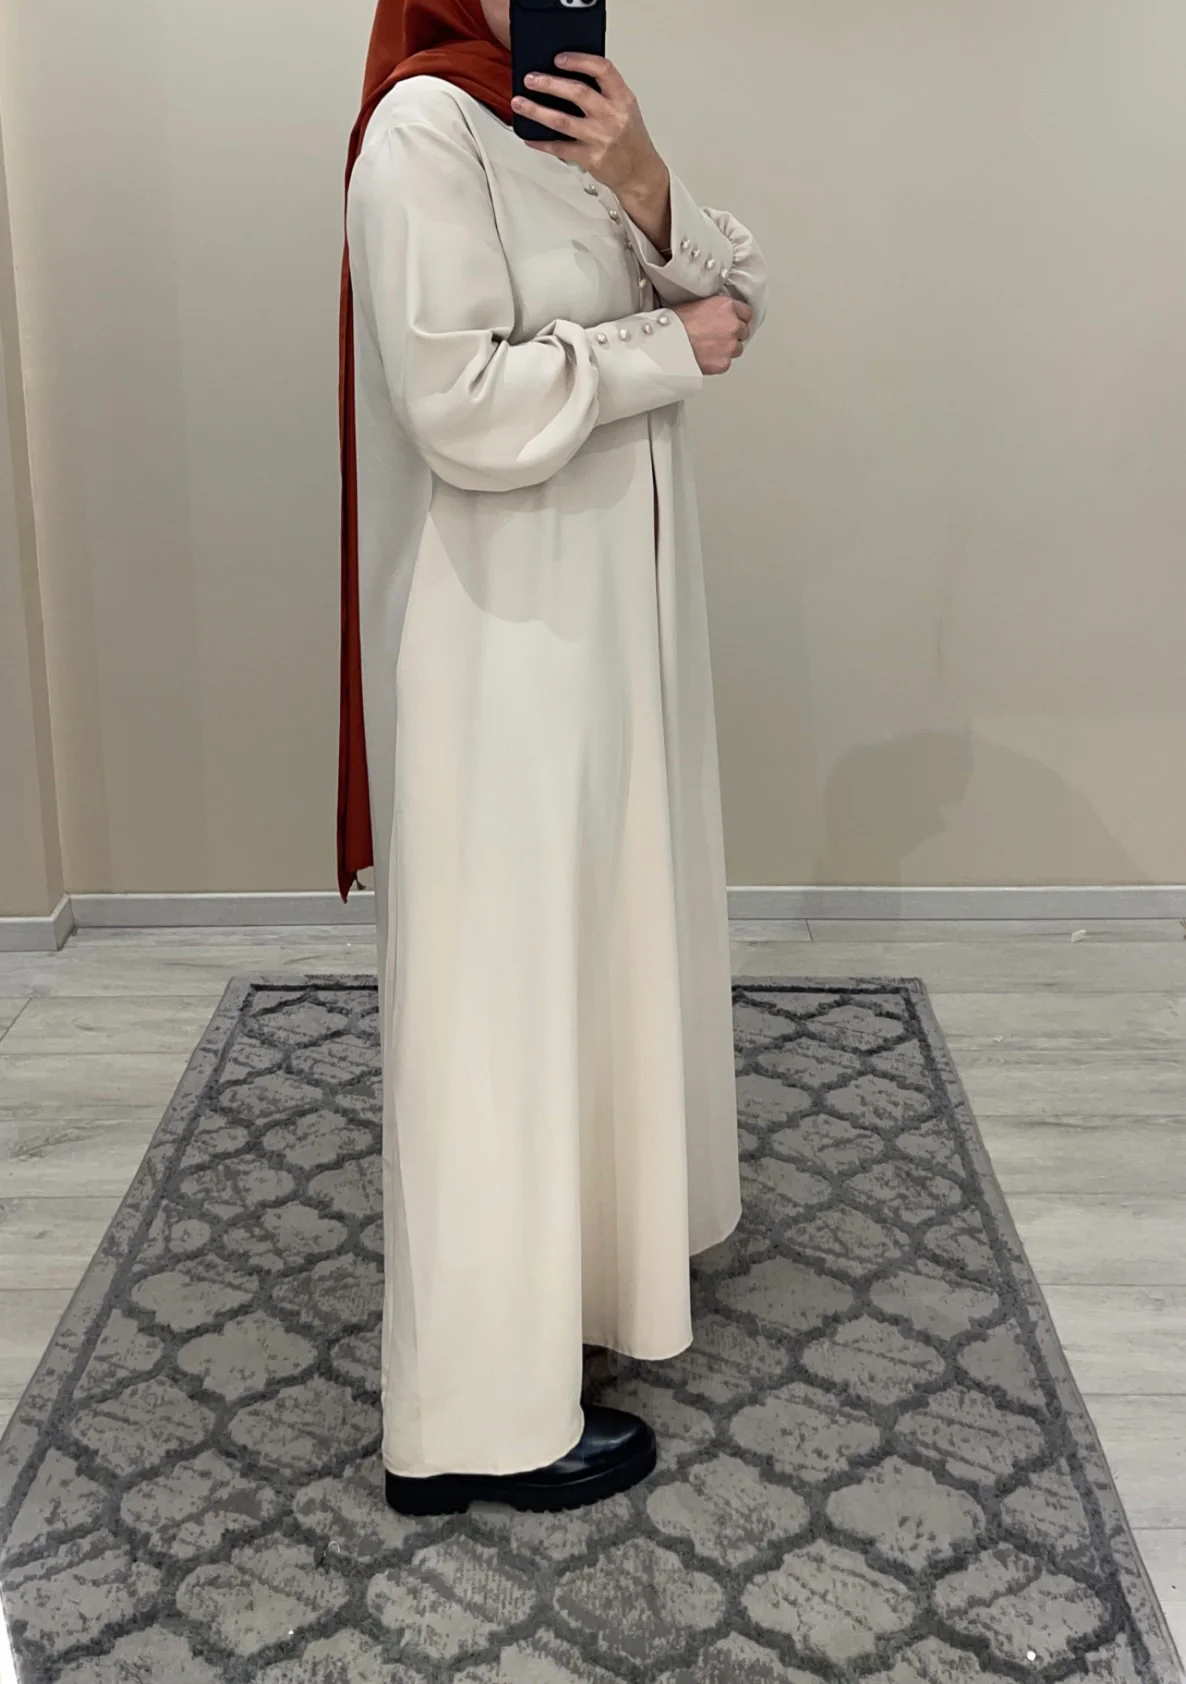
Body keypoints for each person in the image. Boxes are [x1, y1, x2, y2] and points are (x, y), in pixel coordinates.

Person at [338, 0, 768, 1516]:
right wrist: (658, 348)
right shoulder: (423, 131)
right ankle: (469, 1423)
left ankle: (564, 1297)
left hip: (594, 640)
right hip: (500, 647)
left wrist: (642, 174)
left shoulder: (561, 124)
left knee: (574, 977)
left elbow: (735, 297)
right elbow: (455, 405)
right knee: (495, 1013)